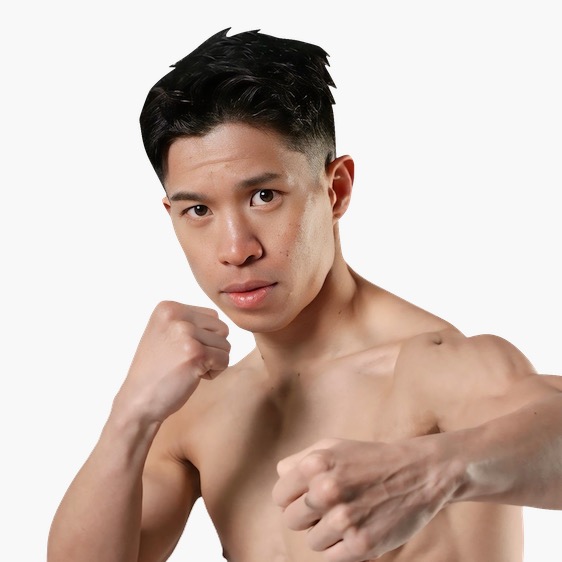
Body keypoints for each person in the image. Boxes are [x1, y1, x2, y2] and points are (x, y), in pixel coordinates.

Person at [47, 27, 562, 562]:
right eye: (198, 210)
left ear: (336, 190)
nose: (236, 249)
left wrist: (434, 471)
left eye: (264, 196)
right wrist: (129, 417)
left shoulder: (429, 366)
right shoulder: (201, 410)